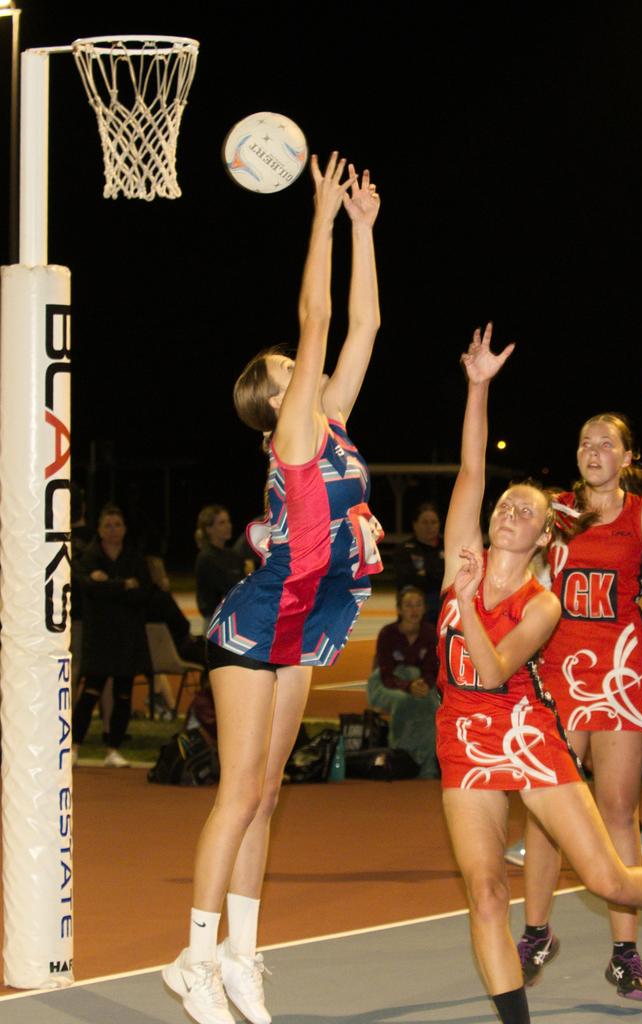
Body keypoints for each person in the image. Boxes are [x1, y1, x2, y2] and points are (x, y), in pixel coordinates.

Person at [436, 324, 642, 1024]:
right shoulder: (479, 551)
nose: (510, 509)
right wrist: (478, 386)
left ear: (544, 535)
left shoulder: (547, 593)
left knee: (611, 847)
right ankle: (535, 938)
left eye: (525, 508)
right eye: (505, 504)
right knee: (485, 889)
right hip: (475, 733)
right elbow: (470, 471)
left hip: (551, 704)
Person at [163, 152, 382, 1024]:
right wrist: (321, 217)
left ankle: (243, 957)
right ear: (274, 394)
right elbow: (321, 314)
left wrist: (367, 230)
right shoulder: (294, 428)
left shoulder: (329, 420)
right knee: (240, 789)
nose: (305, 361)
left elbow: (362, 327)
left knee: (272, 790)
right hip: (259, 619)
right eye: (289, 363)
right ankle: (193, 955)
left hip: (314, 615)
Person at [517, 412, 642, 1002]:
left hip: (621, 673)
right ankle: (535, 933)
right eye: (584, 443)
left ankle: (625, 954)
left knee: (619, 811)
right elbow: (515, 571)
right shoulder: (555, 511)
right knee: (548, 813)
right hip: (559, 673)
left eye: (606, 444)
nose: (593, 450)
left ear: (627, 459)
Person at [71, 504, 152, 767]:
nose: (113, 530)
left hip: (128, 636)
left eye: (117, 525)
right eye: (108, 525)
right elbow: (88, 587)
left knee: (123, 695)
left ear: (125, 529)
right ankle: (74, 746)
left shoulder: (134, 558)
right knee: (90, 693)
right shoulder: (90, 557)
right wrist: (122, 585)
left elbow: (143, 592)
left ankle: (113, 748)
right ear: (99, 529)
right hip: (100, 636)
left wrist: (108, 585)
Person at [367, 584, 440, 777]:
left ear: (425, 608)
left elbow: (432, 668)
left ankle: (428, 762)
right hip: (385, 685)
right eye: (408, 605)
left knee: (432, 704)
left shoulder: (430, 633)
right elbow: (386, 673)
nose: (414, 610)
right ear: (399, 609)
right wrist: (408, 686)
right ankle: (398, 752)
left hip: (421, 684)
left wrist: (424, 684)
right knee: (403, 701)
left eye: (418, 605)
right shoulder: (387, 634)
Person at [194, 505, 248, 630]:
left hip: (237, 618)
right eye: (221, 523)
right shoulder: (206, 558)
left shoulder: (232, 555)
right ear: (209, 529)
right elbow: (231, 588)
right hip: (216, 624)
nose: (228, 526)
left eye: (228, 521)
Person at [392, 503, 445, 623]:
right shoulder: (404, 549)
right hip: (418, 602)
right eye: (425, 522)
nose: (429, 526)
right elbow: (405, 579)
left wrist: (426, 575)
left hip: (443, 601)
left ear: (439, 525)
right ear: (415, 525)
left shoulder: (449, 547)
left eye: (433, 522)